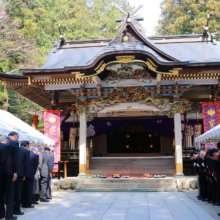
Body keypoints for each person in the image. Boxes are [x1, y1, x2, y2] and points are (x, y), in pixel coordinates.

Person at [0, 132, 19, 220]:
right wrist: (15, 171)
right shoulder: (14, 143)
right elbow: (16, 158)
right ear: (15, 137)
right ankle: (9, 216)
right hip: (10, 171)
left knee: (1, 193)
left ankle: (1, 214)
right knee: (10, 193)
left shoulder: (1, 142)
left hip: (1, 171)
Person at [14, 141, 30, 215]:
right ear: (26, 145)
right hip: (20, 173)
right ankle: (17, 209)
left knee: (11, 191)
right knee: (18, 191)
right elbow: (26, 165)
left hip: (12, 172)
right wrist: (24, 175)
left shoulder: (15, 149)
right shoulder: (26, 152)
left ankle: (10, 209)